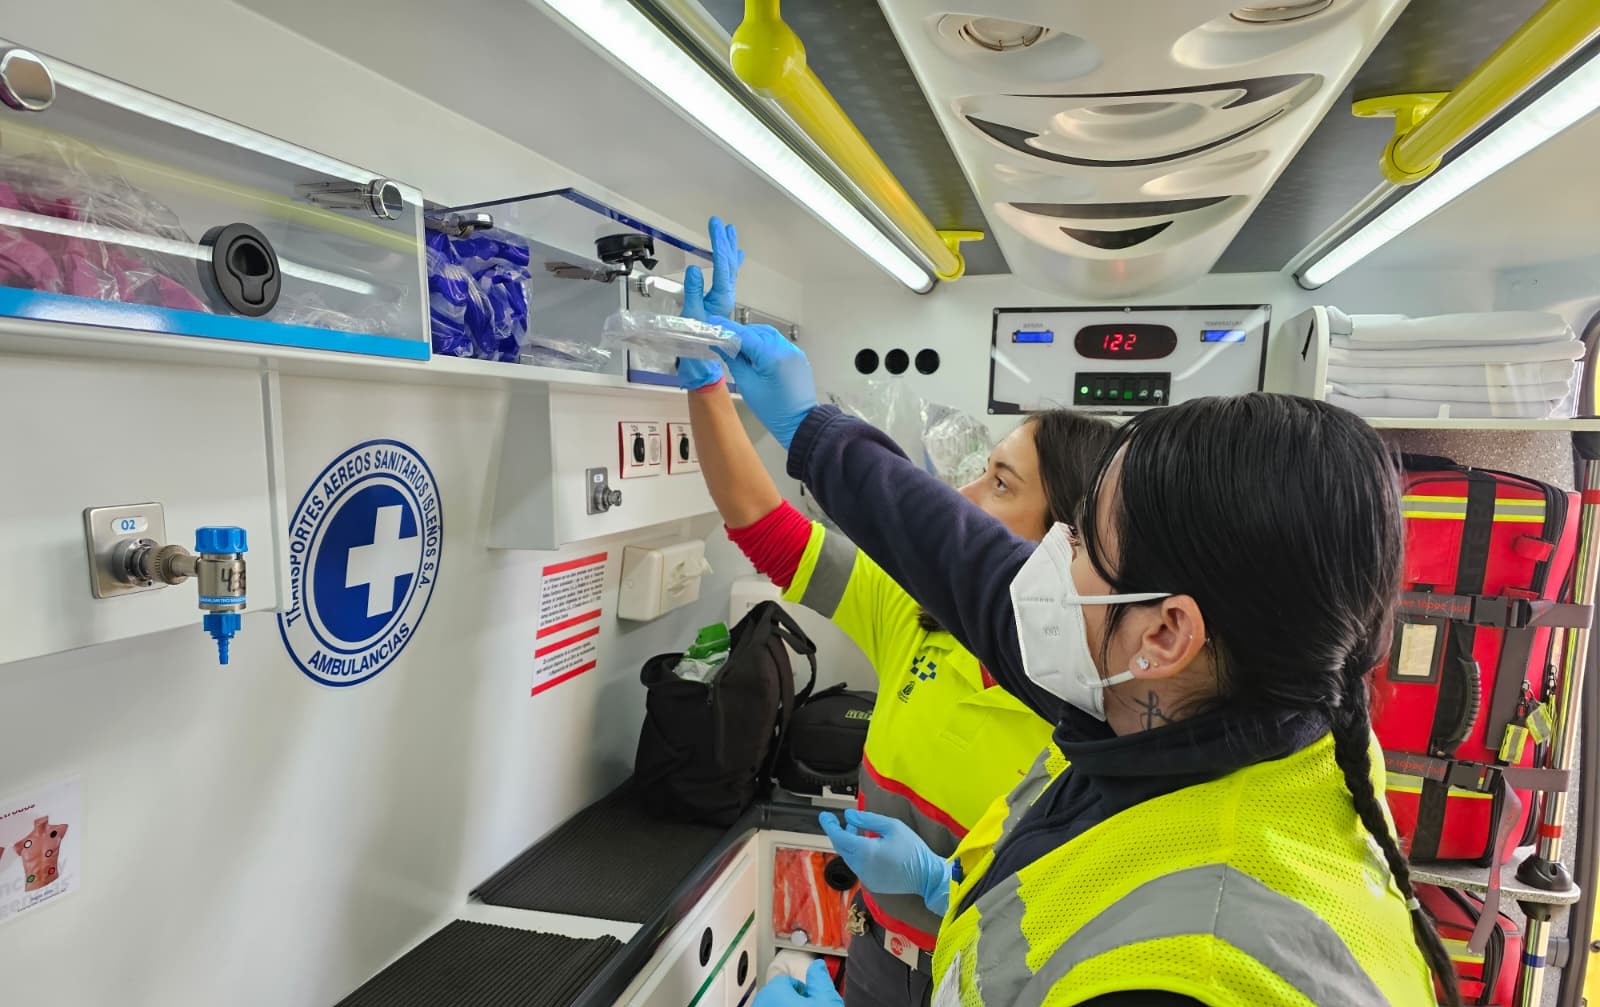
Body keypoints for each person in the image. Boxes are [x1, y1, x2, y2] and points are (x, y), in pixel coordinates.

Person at [707, 322, 1457, 1007]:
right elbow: (964, 559)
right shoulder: (1205, 704)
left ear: (1166, 632)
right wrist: (810, 427)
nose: (1044, 568)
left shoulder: (1197, 972)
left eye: (1080, 546)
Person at [675, 219, 1115, 1007]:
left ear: (1064, 539)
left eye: (1002, 484)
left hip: (979, 978)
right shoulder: (914, 611)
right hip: (875, 956)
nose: (964, 497)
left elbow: (1097, 905)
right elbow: (761, 524)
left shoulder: (1095, 699)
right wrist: (708, 385)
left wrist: (946, 884)